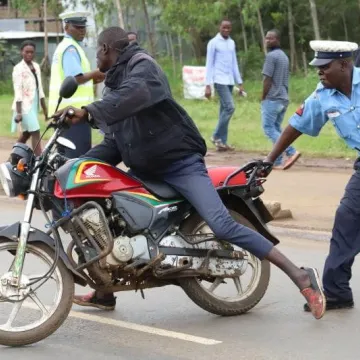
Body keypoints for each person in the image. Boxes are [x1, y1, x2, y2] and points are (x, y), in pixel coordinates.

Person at [55, 26, 326, 320]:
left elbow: (139, 94)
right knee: (102, 211)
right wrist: (76, 166)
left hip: (180, 165)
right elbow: (114, 144)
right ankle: (105, 291)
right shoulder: (114, 87)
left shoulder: (143, 67)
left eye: (98, 51)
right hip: (146, 170)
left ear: (107, 49)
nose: (96, 58)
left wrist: (88, 111)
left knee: (222, 225)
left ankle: (301, 276)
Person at [264, 40, 360, 311]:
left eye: (324, 67)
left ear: (344, 64)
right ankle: (337, 292)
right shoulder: (323, 96)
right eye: (317, 67)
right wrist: (270, 160)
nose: (319, 72)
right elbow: (296, 125)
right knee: (347, 219)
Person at [48, 10, 105, 158]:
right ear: (66, 27)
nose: (82, 31)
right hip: (72, 115)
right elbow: (76, 78)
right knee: (75, 161)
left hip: (70, 114)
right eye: (77, 27)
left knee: (66, 159)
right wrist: (95, 73)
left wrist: (92, 78)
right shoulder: (70, 48)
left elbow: (78, 79)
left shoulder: (70, 46)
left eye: (84, 27)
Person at [261, 30, 300, 170]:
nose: (267, 41)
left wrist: (263, 97)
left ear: (277, 40)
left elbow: (267, 78)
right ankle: (276, 161)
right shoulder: (284, 56)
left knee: (268, 128)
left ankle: (291, 151)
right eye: (266, 38)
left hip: (272, 97)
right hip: (283, 98)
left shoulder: (271, 56)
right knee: (276, 128)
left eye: (270, 38)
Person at [205, 19, 245, 152]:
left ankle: (222, 142)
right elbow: (209, 64)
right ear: (219, 27)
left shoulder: (231, 43)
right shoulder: (213, 43)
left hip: (229, 81)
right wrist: (208, 85)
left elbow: (234, 63)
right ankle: (216, 135)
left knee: (224, 111)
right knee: (230, 107)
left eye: (228, 28)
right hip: (219, 80)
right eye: (224, 28)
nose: (226, 30)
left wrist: (240, 82)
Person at [11, 40, 47, 156]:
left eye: (32, 52)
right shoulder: (18, 68)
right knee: (35, 131)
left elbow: (39, 88)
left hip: (34, 104)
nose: (29, 54)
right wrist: (19, 112)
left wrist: (45, 109)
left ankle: (12, 157)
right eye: (27, 52)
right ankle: (39, 160)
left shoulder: (36, 66)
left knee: (26, 134)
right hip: (24, 106)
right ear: (22, 52)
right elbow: (18, 91)